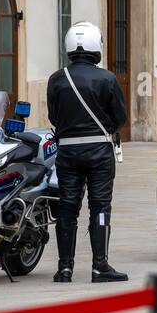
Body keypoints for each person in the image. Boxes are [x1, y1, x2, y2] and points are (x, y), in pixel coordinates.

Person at [47, 22, 128, 284]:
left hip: (68, 152)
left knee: (68, 209)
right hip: (98, 151)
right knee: (100, 207)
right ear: (96, 46)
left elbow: (53, 115)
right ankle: (100, 266)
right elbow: (120, 117)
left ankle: (65, 269)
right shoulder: (107, 79)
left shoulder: (57, 79)